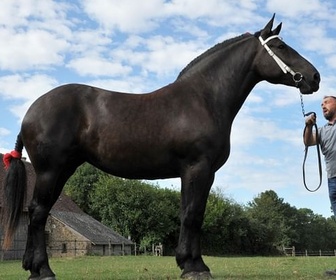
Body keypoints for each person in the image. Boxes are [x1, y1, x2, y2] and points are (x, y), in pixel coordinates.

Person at [303, 95, 336, 216]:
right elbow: (308, 141)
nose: (323, 106)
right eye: (322, 105)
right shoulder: (322, 131)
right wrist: (309, 126)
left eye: (327, 102)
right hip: (332, 180)